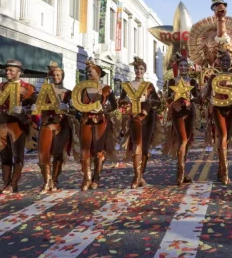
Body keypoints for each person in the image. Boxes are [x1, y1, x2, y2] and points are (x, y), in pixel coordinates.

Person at [0, 60, 37, 196]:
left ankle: (14, 183)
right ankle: (6, 183)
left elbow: (35, 107)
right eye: (6, 70)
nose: (8, 72)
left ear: (19, 72)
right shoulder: (0, 86)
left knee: (17, 155)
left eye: (11, 70)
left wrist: (24, 110)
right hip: (1, 123)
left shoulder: (28, 88)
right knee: (4, 155)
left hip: (18, 124)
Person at [32, 62, 72, 193]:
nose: (56, 77)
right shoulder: (43, 92)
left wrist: (68, 108)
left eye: (58, 75)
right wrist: (31, 108)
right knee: (43, 154)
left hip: (61, 125)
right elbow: (35, 106)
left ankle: (54, 180)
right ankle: (46, 181)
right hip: (46, 124)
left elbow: (75, 110)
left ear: (62, 76)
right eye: (54, 75)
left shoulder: (68, 93)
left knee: (58, 154)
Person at [120, 57, 161, 189]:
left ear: (144, 71)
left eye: (141, 69)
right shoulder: (128, 85)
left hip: (147, 117)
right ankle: (137, 177)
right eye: (137, 68)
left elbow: (157, 102)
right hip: (134, 117)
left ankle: (139, 175)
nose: (139, 71)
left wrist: (148, 103)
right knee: (136, 145)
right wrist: (126, 103)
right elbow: (120, 101)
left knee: (145, 149)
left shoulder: (149, 85)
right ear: (134, 70)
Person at [78, 59, 117, 191]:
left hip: (100, 121)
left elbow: (114, 105)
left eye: (91, 71)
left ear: (98, 73)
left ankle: (96, 178)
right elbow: (75, 105)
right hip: (85, 121)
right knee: (85, 150)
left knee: (98, 150)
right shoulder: (81, 89)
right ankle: (86, 178)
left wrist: (104, 110)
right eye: (87, 71)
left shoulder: (106, 88)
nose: (88, 73)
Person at [205, 50, 232, 185]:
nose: (226, 63)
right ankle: (225, 172)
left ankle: (221, 169)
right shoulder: (213, 76)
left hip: (230, 108)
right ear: (219, 62)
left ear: (231, 62)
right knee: (223, 135)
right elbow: (207, 95)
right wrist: (211, 99)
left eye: (228, 60)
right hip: (218, 108)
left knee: (226, 138)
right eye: (223, 60)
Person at [163, 54, 199, 186]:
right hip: (177, 112)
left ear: (188, 68)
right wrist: (172, 97)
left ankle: (183, 172)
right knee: (182, 140)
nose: (183, 68)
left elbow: (198, 98)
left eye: (185, 66)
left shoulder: (193, 82)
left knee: (186, 142)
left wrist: (192, 97)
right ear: (178, 67)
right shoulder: (172, 82)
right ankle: (180, 173)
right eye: (181, 66)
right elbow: (167, 98)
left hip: (189, 113)